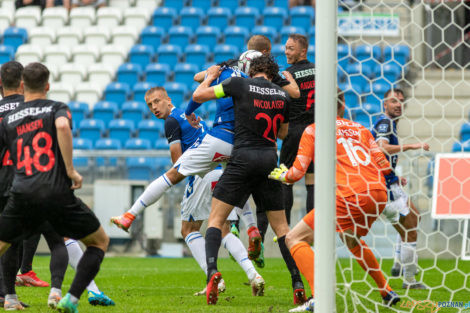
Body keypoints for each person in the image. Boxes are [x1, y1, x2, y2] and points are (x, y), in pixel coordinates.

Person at [114, 86, 264, 295]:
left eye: (157, 101)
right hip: (219, 172)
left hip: (201, 176)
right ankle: (253, 274)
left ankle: (214, 279)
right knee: (223, 229)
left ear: (168, 100)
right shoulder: (190, 114)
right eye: (150, 105)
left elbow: (179, 162)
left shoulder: (171, 121)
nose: (154, 108)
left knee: (188, 230)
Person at [269, 90, 400, 312]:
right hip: (378, 193)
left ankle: (318, 297)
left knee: (293, 238)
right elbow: (384, 165)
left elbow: (298, 172)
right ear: (343, 106)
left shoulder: (314, 130)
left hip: (350, 194)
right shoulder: (361, 129)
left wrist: (283, 175)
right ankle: (386, 290)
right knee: (352, 239)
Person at [192, 55, 305, 306]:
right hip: (268, 160)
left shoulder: (238, 84)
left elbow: (199, 96)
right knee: (283, 229)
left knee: (216, 220)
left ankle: (213, 273)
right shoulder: (281, 95)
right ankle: (297, 283)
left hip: (242, 158)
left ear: (250, 70)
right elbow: (283, 132)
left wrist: (210, 76)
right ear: (273, 73)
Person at [0, 62, 109, 313]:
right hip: (55, 190)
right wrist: (70, 170)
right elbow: (61, 126)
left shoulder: (9, 119)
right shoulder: (57, 107)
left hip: (21, 191)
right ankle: (71, 296)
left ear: (23, 86)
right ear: (47, 85)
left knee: (5, 245)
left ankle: (10, 299)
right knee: (99, 241)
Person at [0, 61, 69, 311]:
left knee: (7, 239)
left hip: (4, 181)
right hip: (34, 179)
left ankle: (7, 295)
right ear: (23, 83)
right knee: (55, 238)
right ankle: (53, 289)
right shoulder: (36, 108)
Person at [371, 88, 428, 289]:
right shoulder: (385, 122)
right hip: (385, 188)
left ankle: (398, 263)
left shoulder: (387, 123)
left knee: (414, 218)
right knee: (410, 229)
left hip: (389, 182)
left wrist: (395, 175)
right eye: (393, 101)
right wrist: (411, 146)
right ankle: (409, 279)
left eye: (401, 101)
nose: (398, 104)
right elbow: (381, 147)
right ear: (384, 104)